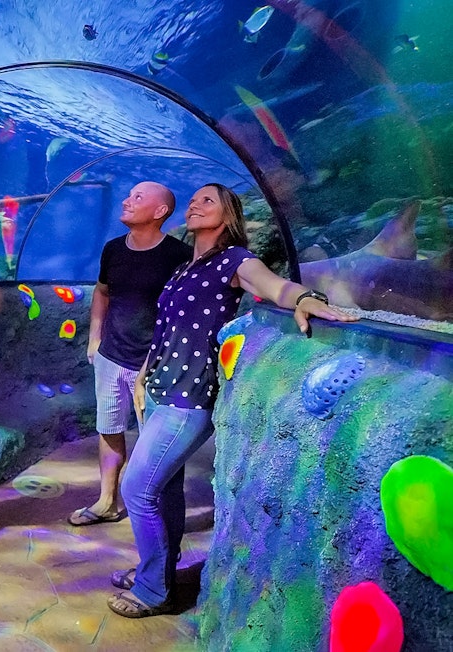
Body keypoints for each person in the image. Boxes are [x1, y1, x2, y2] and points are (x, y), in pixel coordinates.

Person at [107, 184, 357, 618]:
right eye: (194, 199)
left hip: (190, 398)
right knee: (163, 489)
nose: (195, 204)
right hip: (163, 388)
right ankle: (159, 571)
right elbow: (168, 328)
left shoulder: (235, 260)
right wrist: (145, 374)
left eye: (208, 200)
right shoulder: (185, 268)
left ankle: (152, 590)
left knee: (136, 488)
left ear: (228, 215)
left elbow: (274, 287)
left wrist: (305, 298)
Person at [68, 182, 192, 527]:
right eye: (129, 195)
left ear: (160, 211)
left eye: (138, 197)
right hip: (111, 357)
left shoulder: (178, 256)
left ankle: (158, 519)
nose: (127, 200)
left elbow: (181, 314)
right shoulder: (112, 250)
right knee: (109, 429)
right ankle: (107, 500)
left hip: (154, 366)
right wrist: (94, 338)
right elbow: (102, 292)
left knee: (156, 442)